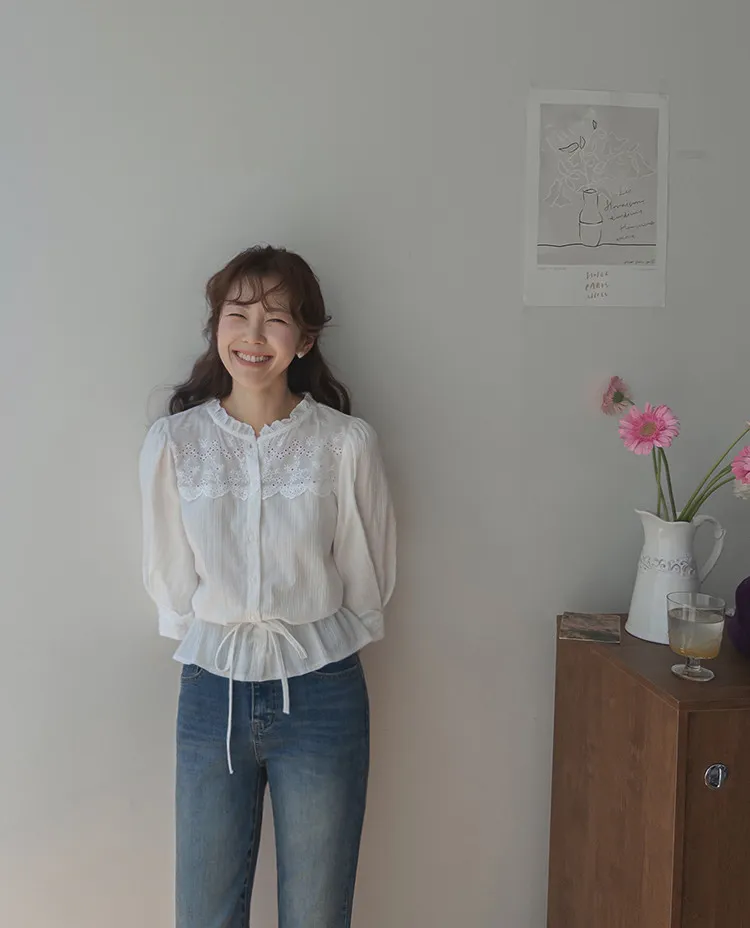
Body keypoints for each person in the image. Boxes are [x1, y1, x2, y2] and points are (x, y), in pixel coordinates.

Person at [139, 245, 396, 928]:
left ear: (304, 339)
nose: (254, 334)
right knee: (204, 913)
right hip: (211, 690)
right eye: (239, 313)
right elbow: (171, 579)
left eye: (276, 318)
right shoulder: (175, 444)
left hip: (321, 688)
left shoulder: (345, 444)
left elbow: (367, 579)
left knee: (317, 913)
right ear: (216, 325)